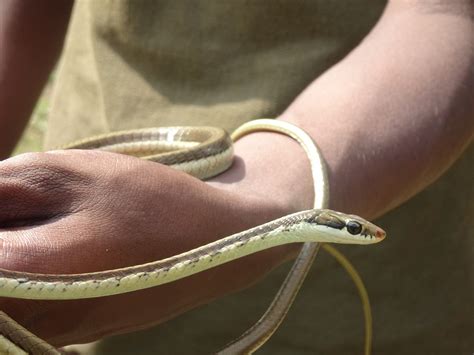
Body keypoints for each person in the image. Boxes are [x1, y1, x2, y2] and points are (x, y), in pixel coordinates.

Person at [0, 0, 472, 353]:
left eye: (353, 227)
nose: (359, 231)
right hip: (71, 218)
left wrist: (259, 197)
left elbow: (448, 16)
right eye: (351, 227)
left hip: (368, 316)